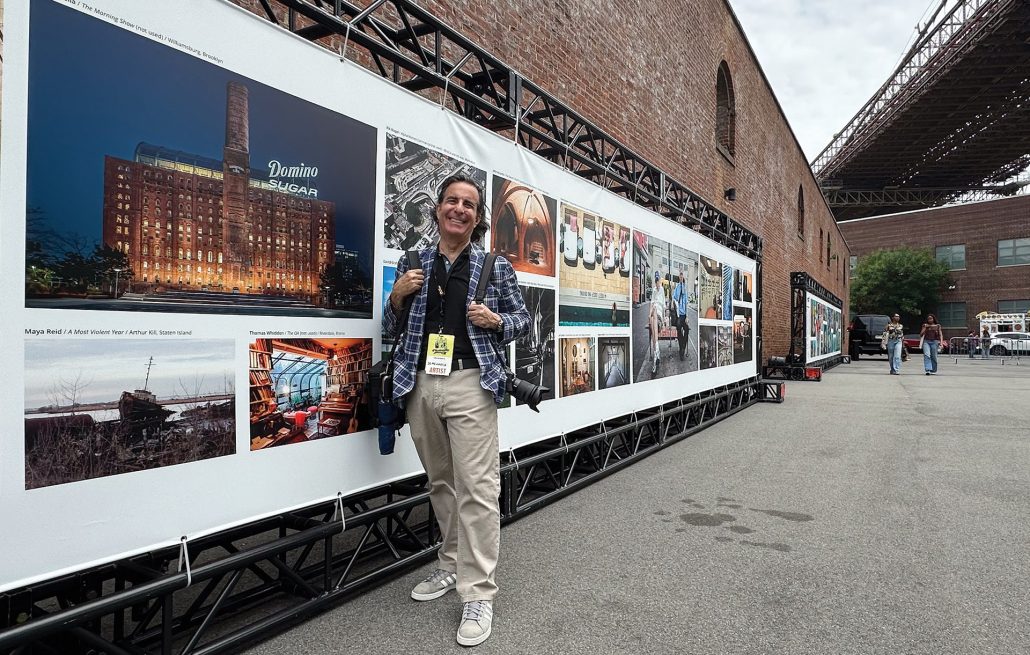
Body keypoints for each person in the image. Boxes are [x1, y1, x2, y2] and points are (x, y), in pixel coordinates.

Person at [384, 173, 530, 647]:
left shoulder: (494, 265)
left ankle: (478, 592)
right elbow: (391, 327)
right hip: (421, 383)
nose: (459, 209)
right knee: (441, 483)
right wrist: (396, 297)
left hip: (471, 382)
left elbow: (523, 321)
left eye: (469, 204)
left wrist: (496, 320)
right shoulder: (413, 262)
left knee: (478, 489)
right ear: (438, 208)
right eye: (452, 200)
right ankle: (450, 565)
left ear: (477, 217)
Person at [671, 265, 690, 361]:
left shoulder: (685, 288)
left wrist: (687, 316)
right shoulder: (677, 287)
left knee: (687, 329)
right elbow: (674, 297)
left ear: (683, 276)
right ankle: (682, 348)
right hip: (678, 314)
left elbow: (686, 303)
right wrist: (672, 302)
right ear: (679, 276)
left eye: (682, 275)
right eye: (680, 275)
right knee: (678, 327)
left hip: (684, 315)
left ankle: (682, 348)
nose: (681, 276)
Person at [649, 269, 666, 373]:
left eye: (658, 281)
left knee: (654, 312)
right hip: (653, 314)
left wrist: (663, 322)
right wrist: (649, 314)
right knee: (652, 316)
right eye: (656, 281)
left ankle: (656, 354)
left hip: (658, 314)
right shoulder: (654, 290)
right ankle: (656, 354)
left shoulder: (662, 290)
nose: (657, 283)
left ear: (660, 280)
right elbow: (651, 303)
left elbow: (663, 306)